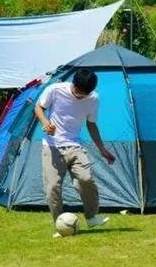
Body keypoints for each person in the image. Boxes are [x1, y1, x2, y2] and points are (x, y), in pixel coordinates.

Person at [34, 68, 115, 238]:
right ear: (73, 84)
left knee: (86, 179)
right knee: (53, 188)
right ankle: (60, 226)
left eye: (84, 94)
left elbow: (91, 124)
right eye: (78, 93)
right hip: (52, 146)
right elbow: (39, 108)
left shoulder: (93, 99)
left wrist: (102, 149)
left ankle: (92, 217)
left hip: (74, 146)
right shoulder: (55, 90)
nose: (80, 97)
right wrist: (45, 122)